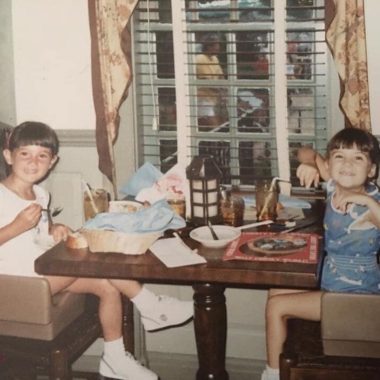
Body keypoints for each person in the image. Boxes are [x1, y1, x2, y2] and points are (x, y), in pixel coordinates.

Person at [0, 121, 194, 380]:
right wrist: (16, 227)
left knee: (107, 285)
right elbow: (16, 230)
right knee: (97, 259)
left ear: (53, 161)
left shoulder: (40, 194)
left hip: (39, 272)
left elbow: (37, 232)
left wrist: (54, 227)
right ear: (8, 156)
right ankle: (151, 305)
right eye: (25, 154)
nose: (33, 162)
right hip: (15, 285)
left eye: (42, 155)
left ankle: (114, 358)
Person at [261, 128, 380, 380]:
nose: (347, 163)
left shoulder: (374, 201)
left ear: (371, 170)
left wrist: (369, 204)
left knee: (276, 306)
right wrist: (308, 162)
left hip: (358, 298)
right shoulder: (334, 186)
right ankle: (277, 366)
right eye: (339, 156)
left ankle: (271, 375)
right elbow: (305, 150)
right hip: (332, 286)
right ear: (330, 163)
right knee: (275, 290)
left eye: (358, 158)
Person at [196, 33, 227, 128]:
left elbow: (220, 76)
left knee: (223, 122)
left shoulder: (214, 58)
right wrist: (222, 92)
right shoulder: (200, 59)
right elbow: (207, 81)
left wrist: (225, 89)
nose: (218, 47)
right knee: (215, 127)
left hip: (213, 98)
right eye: (216, 45)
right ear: (209, 46)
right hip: (202, 99)